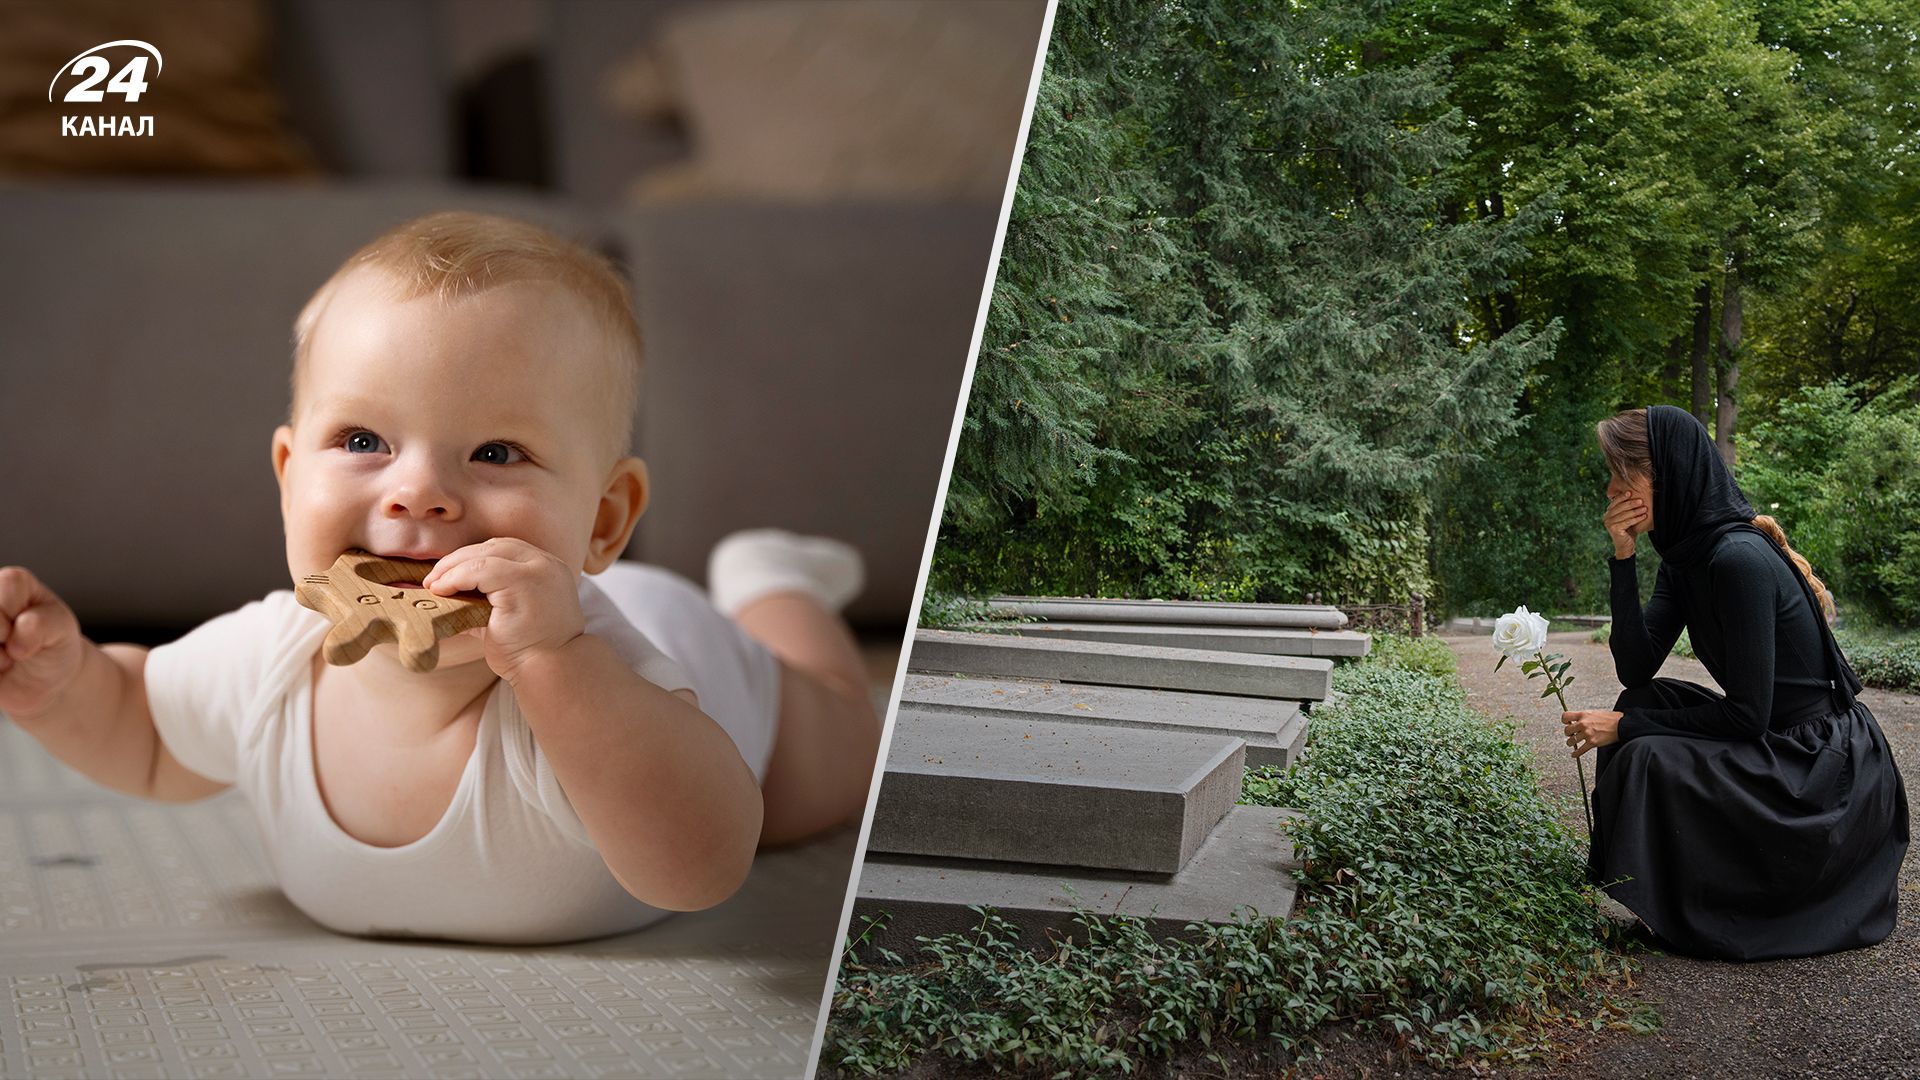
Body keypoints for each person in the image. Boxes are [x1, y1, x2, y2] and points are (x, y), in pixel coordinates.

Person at [0, 211, 880, 944]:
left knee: (842, 759)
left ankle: (771, 582)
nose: (418, 490)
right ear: (287, 474)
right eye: (361, 442)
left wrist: (554, 662)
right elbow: (146, 728)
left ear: (605, 519)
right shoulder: (272, 656)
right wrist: (61, 681)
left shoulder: (595, 667)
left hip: (704, 663)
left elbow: (701, 867)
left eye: (497, 452)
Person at [1558, 404, 1909, 961]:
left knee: (1646, 748)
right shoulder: (1686, 556)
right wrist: (1623, 557)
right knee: (1642, 698)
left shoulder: (1737, 559)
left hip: (1822, 767)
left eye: (1621, 474)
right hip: (1776, 736)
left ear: (1665, 473)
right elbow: (1636, 667)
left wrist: (1626, 728)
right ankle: (1642, 888)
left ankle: (1689, 908)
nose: (1610, 489)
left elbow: (1747, 717)